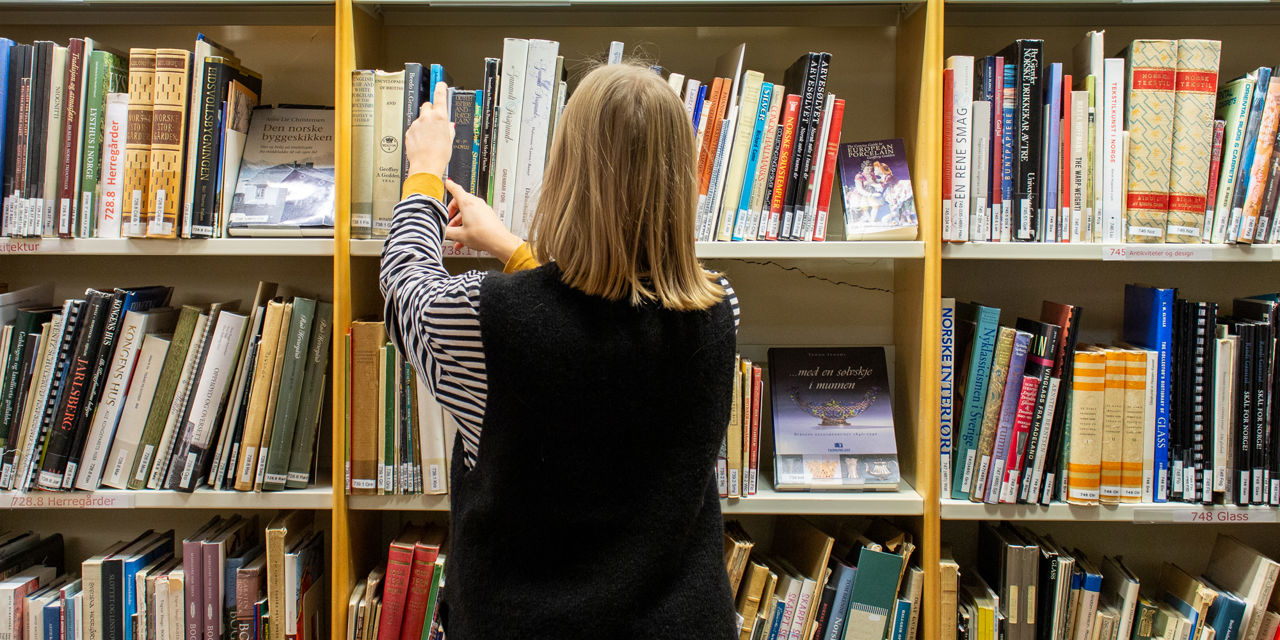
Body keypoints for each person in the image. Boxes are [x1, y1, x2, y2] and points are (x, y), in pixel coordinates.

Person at [379, 63, 741, 639]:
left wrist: (423, 174)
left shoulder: (489, 321)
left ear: (566, 173)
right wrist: (513, 250)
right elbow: (602, 321)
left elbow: (405, 287)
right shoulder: (720, 313)